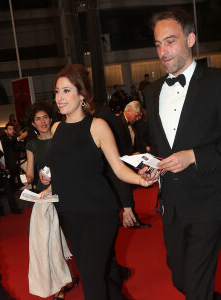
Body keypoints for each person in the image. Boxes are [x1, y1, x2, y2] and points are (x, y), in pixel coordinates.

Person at [142, 7, 221, 300]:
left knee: (196, 286)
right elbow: (159, 143)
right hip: (171, 205)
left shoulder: (220, 81)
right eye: (157, 44)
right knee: (181, 279)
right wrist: (152, 166)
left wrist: (193, 156)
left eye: (170, 41)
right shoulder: (151, 91)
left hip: (207, 200)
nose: (163, 51)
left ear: (190, 39)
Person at [41, 64, 156, 300]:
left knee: (92, 283)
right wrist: (49, 183)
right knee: (93, 277)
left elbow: (117, 168)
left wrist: (141, 181)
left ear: (81, 94)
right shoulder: (56, 128)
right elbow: (65, 169)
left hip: (98, 213)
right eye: (56, 92)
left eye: (65, 91)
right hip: (69, 214)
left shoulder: (98, 126)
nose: (59, 98)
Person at [24, 101, 78, 300]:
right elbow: (30, 173)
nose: (42, 121)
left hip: (65, 190)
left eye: (45, 117)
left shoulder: (60, 138)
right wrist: (28, 180)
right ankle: (60, 285)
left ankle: (71, 274)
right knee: (51, 240)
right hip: (44, 197)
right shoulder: (31, 144)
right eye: (38, 119)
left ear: (51, 118)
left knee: (67, 235)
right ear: (33, 123)